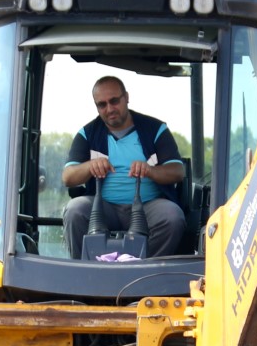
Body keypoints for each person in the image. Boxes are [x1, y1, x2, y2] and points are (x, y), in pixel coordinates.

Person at [62, 75, 186, 258]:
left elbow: (178, 171)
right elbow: (68, 177)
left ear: (126, 97)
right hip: (103, 208)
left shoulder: (155, 129)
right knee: (74, 210)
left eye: (114, 101)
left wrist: (150, 171)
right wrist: (90, 166)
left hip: (147, 206)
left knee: (172, 216)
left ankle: (144, 273)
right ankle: (85, 273)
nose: (109, 109)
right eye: (102, 105)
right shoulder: (87, 134)